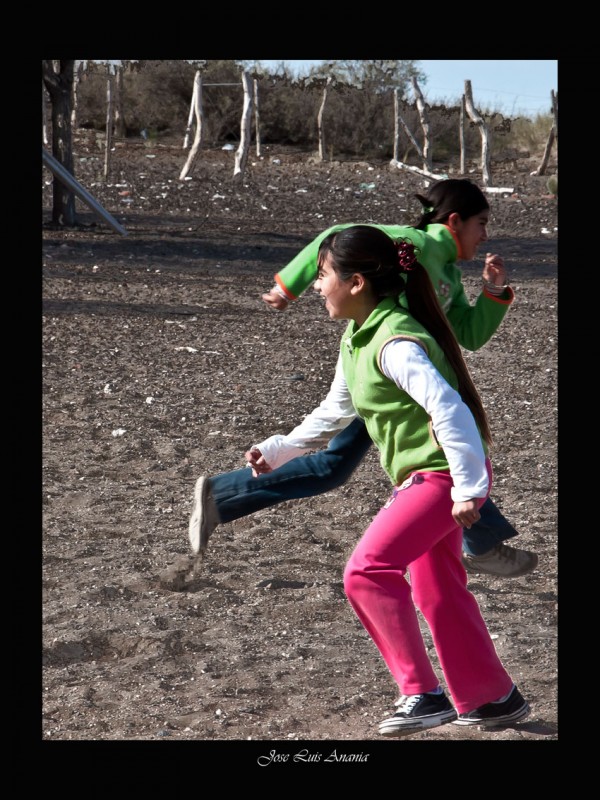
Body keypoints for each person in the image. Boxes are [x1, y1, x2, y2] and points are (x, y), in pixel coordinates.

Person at [214, 224, 531, 736]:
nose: (317, 286)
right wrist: (277, 450)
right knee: (437, 591)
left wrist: (470, 487)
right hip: (428, 477)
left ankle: (423, 695)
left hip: (441, 478)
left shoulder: (396, 342)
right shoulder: (359, 336)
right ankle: (493, 698)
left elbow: (451, 411)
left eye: (322, 276)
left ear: (356, 282)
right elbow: (335, 410)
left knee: (367, 571)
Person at [189, 179, 538, 578]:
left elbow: (471, 336)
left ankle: (223, 494)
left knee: (341, 464)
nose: (486, 234)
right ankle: (483, 541)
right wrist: (290, 284)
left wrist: (493, 292)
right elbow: (336, 239)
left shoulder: (449, 278)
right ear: (455, 221)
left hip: (397, 380)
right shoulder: (412, 245)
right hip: (380, 370)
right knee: (399, 458)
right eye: (482, 222)